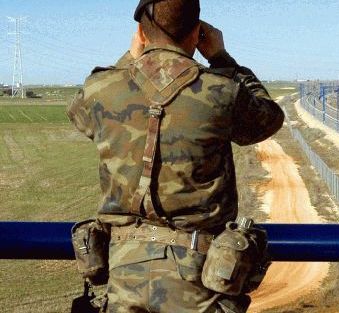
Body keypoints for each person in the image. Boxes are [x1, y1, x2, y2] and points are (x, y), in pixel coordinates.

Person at [67, 0, 284, 312]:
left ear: (140, 34)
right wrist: (222, 58)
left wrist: (129, 58)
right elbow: (269, 119)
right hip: (198, 280)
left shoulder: (101, 88)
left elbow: (78, 113)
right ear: (198, 34)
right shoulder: (221, 90)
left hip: (123, 275)